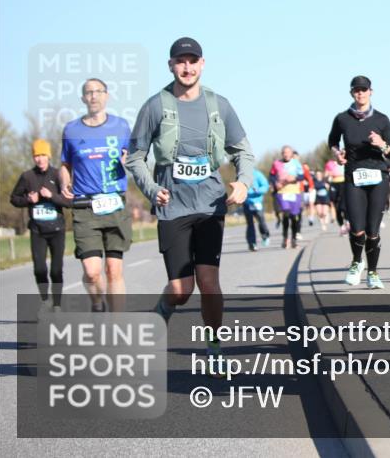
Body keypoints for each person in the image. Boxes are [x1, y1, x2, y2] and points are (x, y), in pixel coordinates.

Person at [125, 37, 254, 378]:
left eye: (192, 60)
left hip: (210, 205)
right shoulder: (155, 106)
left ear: (202, 64)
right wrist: (152, 189)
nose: (187, 67)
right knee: (182, 290)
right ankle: (158, 317)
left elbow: (243, 151)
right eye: (180, 61)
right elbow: (135, 157)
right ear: (170, 65)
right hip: (173, 207)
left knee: (209, 282)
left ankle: (214, 349)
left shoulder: (219, 106)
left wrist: (243, 182)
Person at [60, 77, 133, 312]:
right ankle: (97, 303)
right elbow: (65, 165)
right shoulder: (71, 129)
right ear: (83, 98)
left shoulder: (121, 126)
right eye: (89, 92)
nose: (93, 96)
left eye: (98, 91)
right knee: (92, 273)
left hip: (115, 204)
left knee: (113, 270)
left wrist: (129, 161)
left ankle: (117, 323)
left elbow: (133, 157)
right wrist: (64, 182)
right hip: (85, 207)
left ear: (106, 96)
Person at [328, 75, 390, 289]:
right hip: (353, 177)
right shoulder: (342, 119)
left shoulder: (382, 119)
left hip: (378, 177)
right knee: (357, 228)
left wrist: (382, 144)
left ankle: (373, 273)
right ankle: (357, 262)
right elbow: (332, 141)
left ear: (370, 92)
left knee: (372, 230)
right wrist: (337, 154)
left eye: (364, 89)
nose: (360, 93)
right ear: (352, 93)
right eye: (357, 90)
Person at [10, 139, 69, 310]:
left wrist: (52, 196)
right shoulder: (27, 177)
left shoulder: (58, 175)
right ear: (33, 157)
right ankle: (45, 300)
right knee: (39, 269)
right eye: (37, 155)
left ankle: (57, 304)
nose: (40, 159)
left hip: (57, 230)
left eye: (43, 155)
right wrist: (28, 200)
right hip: (37, 231)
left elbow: (69, 201)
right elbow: (14, 199)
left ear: (48, 156)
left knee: (56, 270)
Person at [271, 146, 305, 248]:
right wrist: (275, 183)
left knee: (294, 216)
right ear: (282, 154)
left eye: (288, 152)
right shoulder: (277, 164)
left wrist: (294, 179)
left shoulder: (296, 163)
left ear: (291, 154)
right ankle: (285, 238)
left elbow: (302, 176)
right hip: (282, 192)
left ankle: (294, 239)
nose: (286, 154)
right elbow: (271, 176)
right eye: (284, 153)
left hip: (294, 192)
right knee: (285, 214)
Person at [245, 168, 270, 250]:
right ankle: (252, 243)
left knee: (261, 221)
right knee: (250, 224)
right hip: (247, 202)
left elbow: (265, 185)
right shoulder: (241, 175)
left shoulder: (257, 174)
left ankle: (265, 235)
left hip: (257, 202)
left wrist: (258, 190)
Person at [325, 157, 348, 235]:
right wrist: (328, 175)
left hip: (344, 183)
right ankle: (342, 226)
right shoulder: (330, 163)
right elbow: (326, 174)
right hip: (334, 184)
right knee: (336, 207)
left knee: (344, 206)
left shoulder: (345, 160)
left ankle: (347, 221)